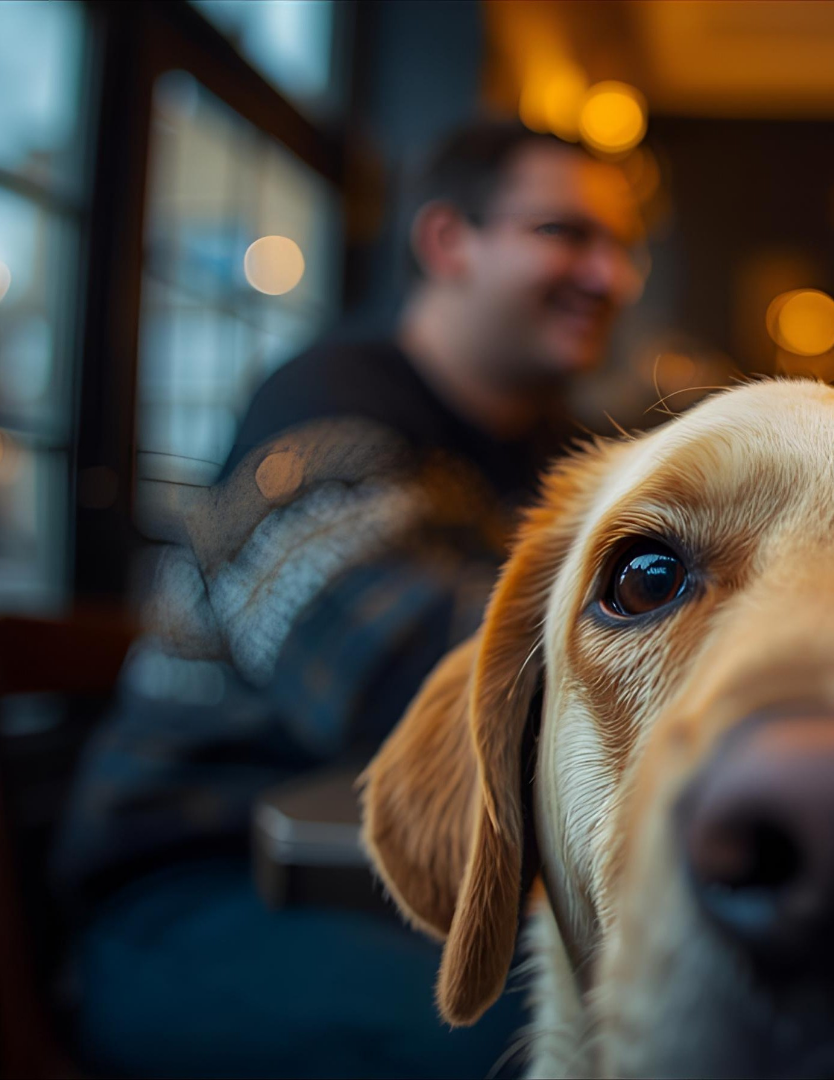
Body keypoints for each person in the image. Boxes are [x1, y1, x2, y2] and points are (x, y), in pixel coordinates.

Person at [52, 122, 645, 1078]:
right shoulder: (317, 417)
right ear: (449, 241)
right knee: (556, 1039)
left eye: (623, 247)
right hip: (205, 892)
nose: (609, 276)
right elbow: (395, 679)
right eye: (566, 234)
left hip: (407, 888)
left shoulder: (553, 452)